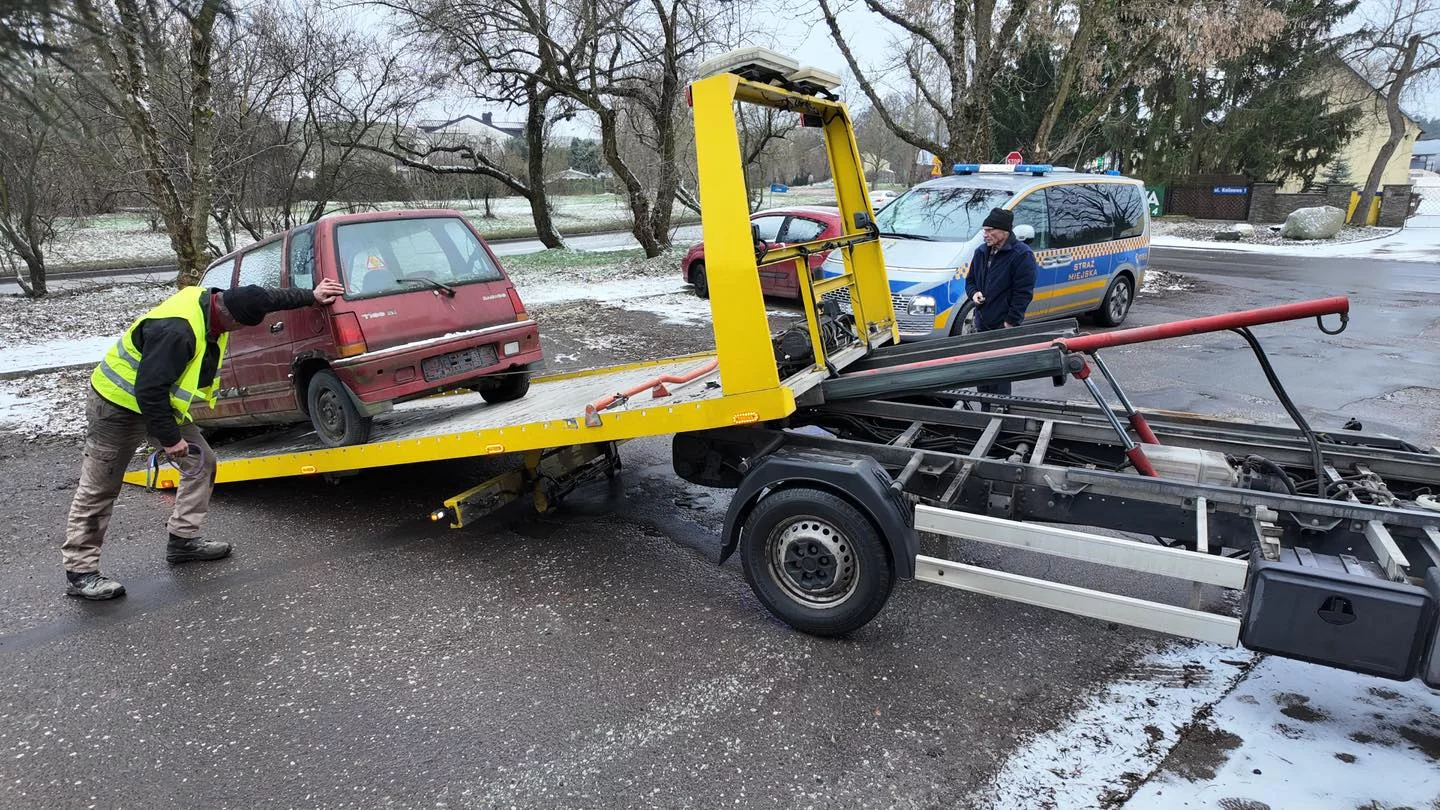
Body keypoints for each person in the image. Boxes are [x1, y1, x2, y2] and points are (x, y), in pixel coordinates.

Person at [62, 278, 345, 600]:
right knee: (100, 488)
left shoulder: (220, 302)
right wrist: (171, 442)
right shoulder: (178, 331)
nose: (233, 335)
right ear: (231, 318)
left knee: (202, 463)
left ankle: (182, 540)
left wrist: (312, 295)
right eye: (236, 329)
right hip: (116, 405)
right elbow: (148, 391)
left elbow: (268, 298)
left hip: (159, 404)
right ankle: (80, 573)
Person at [964, 207, 1038, 399]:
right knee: (982, 373)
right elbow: (970, 280)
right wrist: (974, 294)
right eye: (984, 229)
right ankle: (985, 410)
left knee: (1000, 374)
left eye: (989, 230)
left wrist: (1010, 322)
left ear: (1004, 231)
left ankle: (1001, 411)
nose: (985, 234)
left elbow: (1023, 293)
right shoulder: (981, 252)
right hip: (982, 323)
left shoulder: (1021, 255)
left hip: (1003, 326)